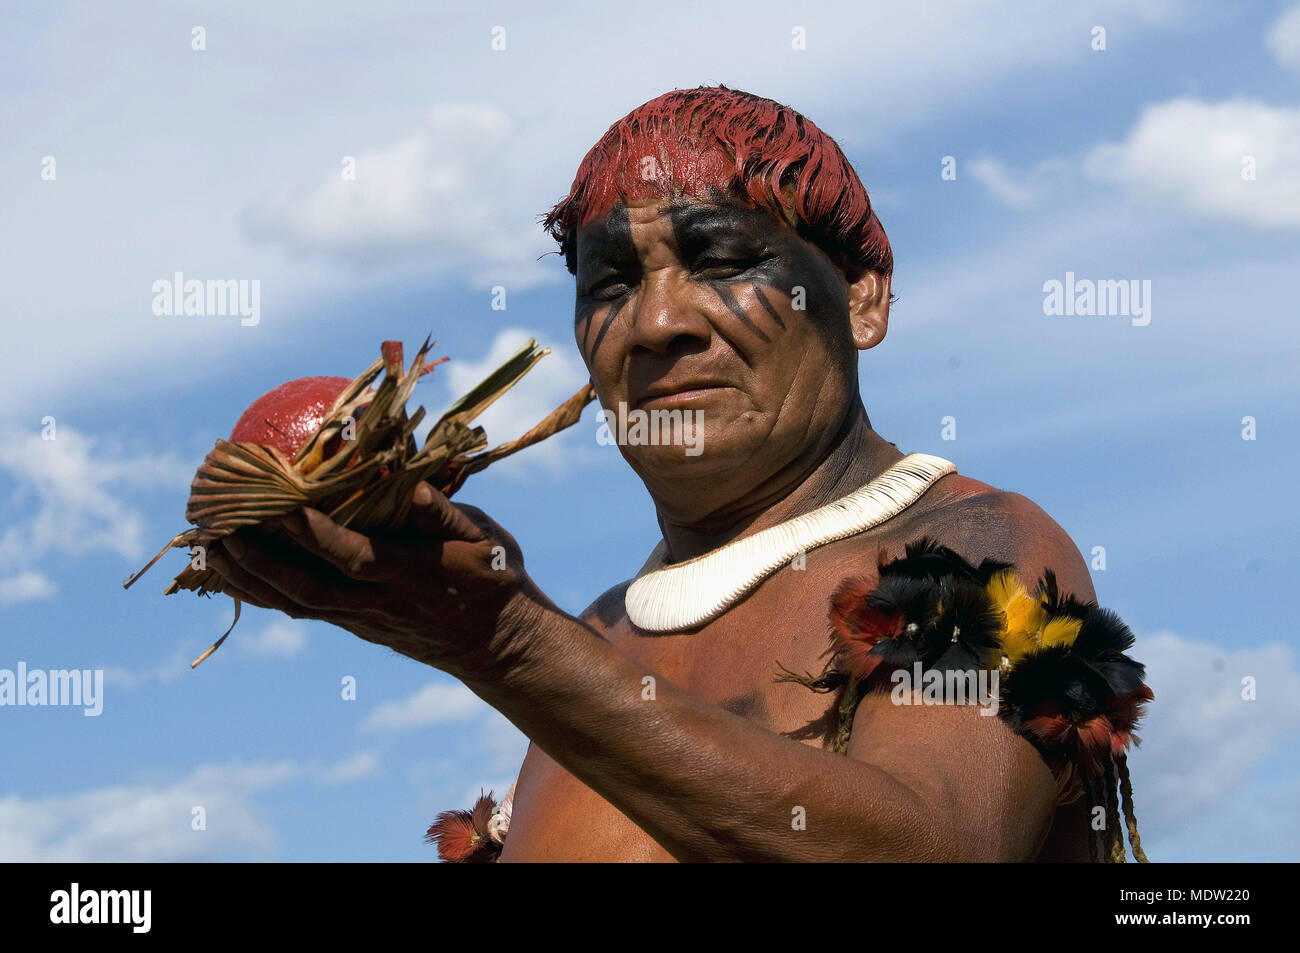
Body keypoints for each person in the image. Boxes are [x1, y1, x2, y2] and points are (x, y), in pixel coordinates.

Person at [209, 86, 1146, 862]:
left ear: (861, 296)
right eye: (611, 280)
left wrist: (503, 646)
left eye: (724, 258)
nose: (659, 322)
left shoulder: (974, 555)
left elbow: (937, 850)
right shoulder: (595, 638)